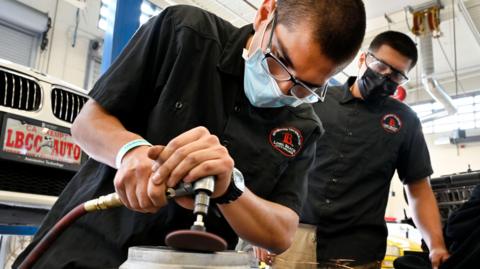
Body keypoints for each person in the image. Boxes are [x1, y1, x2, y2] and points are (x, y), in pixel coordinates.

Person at [13, 0, 366, 268]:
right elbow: (88, 122)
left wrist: (231, 190)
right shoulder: (184, 33)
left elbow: (282, 232)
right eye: (279, 61)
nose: (283, 87)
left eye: (305, 87)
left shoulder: (304, 126)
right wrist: (132, 152)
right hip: (88, 247)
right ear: (265, 13)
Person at [256, 31, 450, 269]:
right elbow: (277, 159)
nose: (385, 77)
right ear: (362, 60)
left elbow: (419, 188)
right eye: (380, 66)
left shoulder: (405, 121)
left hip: (357, 249)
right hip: (295, 237)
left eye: (397, 75)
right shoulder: (316, 99)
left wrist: (436, 244)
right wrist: (262, 224)